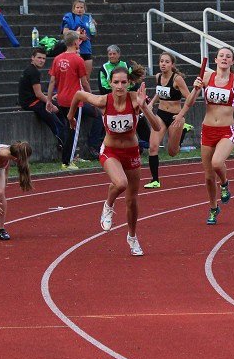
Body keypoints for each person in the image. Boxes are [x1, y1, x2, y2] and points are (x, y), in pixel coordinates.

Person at [68, 64, 164, 256]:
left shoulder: (136, 100)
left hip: (132, 153)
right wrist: (71, 116)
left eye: (123, 82)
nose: (119, 86)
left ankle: (132, 237)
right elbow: (79, 94)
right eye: (116, 82)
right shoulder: (104, 101)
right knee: (120, 183)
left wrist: (144, 107)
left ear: (129, 83)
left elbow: (156, 127)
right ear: (110, 83)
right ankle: (108, 205)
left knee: (132, 201)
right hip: (110, 151)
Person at [173, 47, 234, 225]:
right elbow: (190, 102)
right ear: (215, 60)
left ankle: (225, 183)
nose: (224, 58)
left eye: (228, 56)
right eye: (221, 56)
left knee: (217, 162)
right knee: (207, 176)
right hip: (207, 129)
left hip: (226, 130)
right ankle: (213, 208)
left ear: (232, 62)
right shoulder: (206, 77)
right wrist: (194, 91)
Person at [47, 32, 103, 167]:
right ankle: (67, 161)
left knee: (69, 128)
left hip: (62, 99)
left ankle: (67, 158)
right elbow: (84, 82)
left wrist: (49, 99)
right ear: (76, 42)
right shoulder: (78, 60)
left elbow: (52, 81)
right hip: (75, 100)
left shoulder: (57, 59)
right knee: (73, 130)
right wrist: (92, 98)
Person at [144, 52, 190, 188]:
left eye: (166, 62)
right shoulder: (158, 76)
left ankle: (184, 129)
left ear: (172, 64)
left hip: (175, 117)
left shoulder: (177, 79)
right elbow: (160, 92)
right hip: (161, 115)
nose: (163, 64)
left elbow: (189, 98)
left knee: (172, 152)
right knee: (153, 147)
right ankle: (155, 180)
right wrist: (152, 103)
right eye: (161, 61)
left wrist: (181, 115)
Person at [98, 44, 151, 148]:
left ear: (119, 54)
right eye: (110, 54)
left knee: (139, 118)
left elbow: (132, 82)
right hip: (112, 99)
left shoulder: (125, 65)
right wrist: (116, 91)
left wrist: (126, 92)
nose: (112, 56)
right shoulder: (103, 68)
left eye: (114, 54)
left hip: (127, 97)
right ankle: (103, 145)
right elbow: (103, 86)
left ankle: (147, 143)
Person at [18, 46, 65, 160]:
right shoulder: (33, 72)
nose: (41, 60)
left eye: (44, 58)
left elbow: (37, 93)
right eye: (39, 58)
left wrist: (50, 100)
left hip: (32, 101)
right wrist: (50, 103)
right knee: (57, 124)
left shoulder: (30, 70)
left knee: (60, 110)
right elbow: (38, 94)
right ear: (32, 58)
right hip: (32, 104)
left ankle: (63, 142)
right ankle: (65, 148)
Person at [60, 0, 95, 77]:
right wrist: (79, 35)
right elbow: (65, 32)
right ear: (74, 9)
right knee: (74, 76)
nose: (79, 9)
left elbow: (93, 34)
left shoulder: (88, 19)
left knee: (86, 77)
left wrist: (94, 27)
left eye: (81, 7)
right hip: (74, 49)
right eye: (77, 7)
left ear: (84, 9)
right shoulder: (69, 17)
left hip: (86, 49)